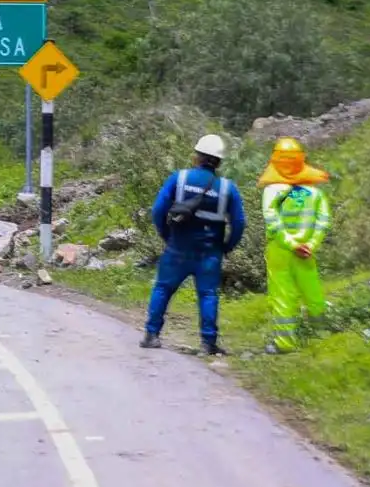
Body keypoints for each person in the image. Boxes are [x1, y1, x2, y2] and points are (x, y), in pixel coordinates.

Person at [141, 133, 245, 356]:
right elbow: (238, 222)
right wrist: (227, 246)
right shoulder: (228, 188)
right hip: (209, 253)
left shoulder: (179, 178)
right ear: (218, 161)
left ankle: (151, 335)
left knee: (163, 288)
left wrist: (166, 235)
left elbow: (158, 210)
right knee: (208, 295)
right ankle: (208, 344)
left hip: (177, 247)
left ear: (197, 156)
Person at [259, 137, 331, 354]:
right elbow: (323, 221)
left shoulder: (272, 191)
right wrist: (310, 245)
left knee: (283, 295)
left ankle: (284, 343)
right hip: (307, 253)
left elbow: (272, 222)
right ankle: (321, 336)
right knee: (313, 292)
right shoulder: (316, 193)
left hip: (281, 251)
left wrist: (291, 245)